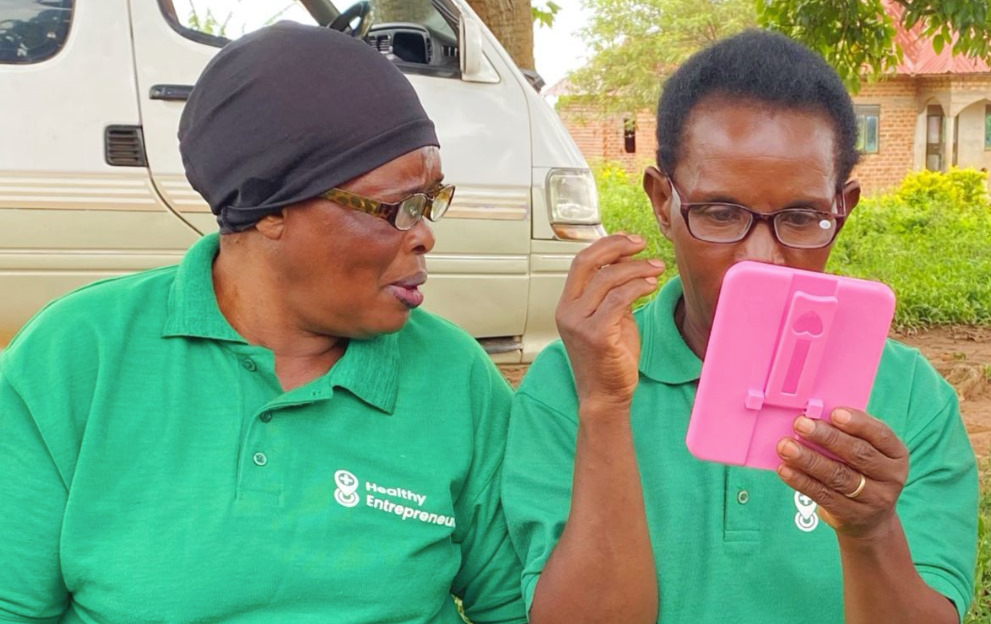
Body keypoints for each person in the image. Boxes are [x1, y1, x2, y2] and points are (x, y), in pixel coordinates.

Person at [0, 23, 525, 624]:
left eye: (431, 201)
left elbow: (513, 605)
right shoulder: (79, 358)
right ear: (270, 208)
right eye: (396, 208)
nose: (425, 233)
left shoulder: (455, 379)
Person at [502, 30, 977, 624]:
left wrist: (869, 530)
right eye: (720, 213)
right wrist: (604, 407)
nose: (761, 258)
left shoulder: (910, 398)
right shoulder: (571, 383)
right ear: (661, 201)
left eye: (801, 217)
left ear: (843, 209)